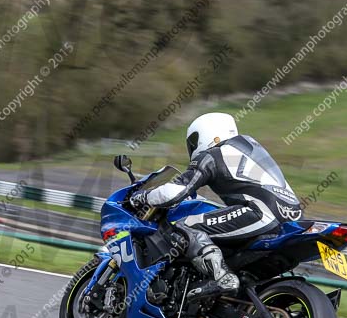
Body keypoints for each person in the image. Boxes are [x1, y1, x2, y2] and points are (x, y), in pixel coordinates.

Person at [130, 112, 303, 299]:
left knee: (184, 226)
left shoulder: (213, 155)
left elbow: (177, 191)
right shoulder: (247, 149)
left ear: (205, 133)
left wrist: (142, 197)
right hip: (292, 218)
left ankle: (221, 277)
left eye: (194, 140)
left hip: (261, 213)